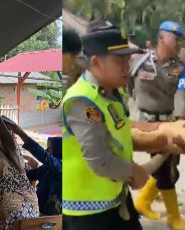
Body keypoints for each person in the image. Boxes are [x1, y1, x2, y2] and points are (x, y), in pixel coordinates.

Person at [62, 22, 149, 230]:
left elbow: (118, 134)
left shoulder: (111, 93)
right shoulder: (82, 100)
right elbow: (99, 160)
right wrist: (134, 172)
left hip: (115, 198)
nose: (127, 68)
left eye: (128, 61)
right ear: (97, 63)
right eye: (120, 62)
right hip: (85, 213)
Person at [131, 21, 185, 229]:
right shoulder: (139, 61)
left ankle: (143, 202)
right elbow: (122, 83)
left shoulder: (181, 68)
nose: (179, 44)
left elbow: (182, 96)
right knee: (166, 170)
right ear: (161, 38)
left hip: (169, 122)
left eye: (180, 40)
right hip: (145, 124)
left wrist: (180, 122)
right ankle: (174, 217)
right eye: (176, 39)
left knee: (171, 167)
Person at [5, 119, 61, 216]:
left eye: (50, 148)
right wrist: (11, 166)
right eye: (46, 148)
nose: (46, 151)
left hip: (53, 217)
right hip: (38, 210)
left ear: (59, 150)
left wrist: (20, 133)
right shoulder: (45, 168)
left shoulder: (63, 166)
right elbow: (29, 174)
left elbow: (44, 156)